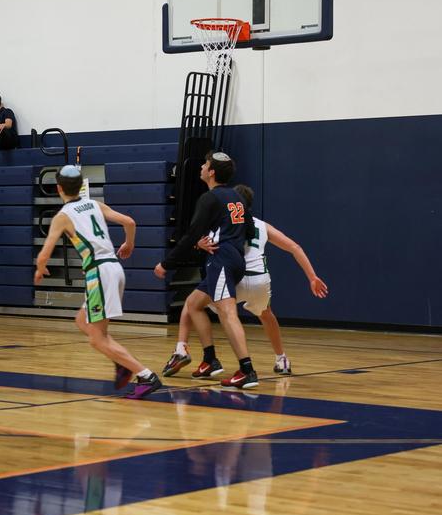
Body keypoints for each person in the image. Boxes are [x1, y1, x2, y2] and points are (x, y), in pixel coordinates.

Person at [165, 184, 329, 378]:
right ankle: (281, 358)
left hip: (236, 276)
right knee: (266, 314)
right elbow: (295, 247)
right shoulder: (262, 225)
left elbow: (208, 243)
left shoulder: (225, 222)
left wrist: (198, 244)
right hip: (260, 280)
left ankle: (186, 351)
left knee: (192, 304)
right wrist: (312, 277)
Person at [35, 165, 163, 399]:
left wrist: (40, 269)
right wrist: (129, 244)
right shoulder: (95, 204)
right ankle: (122, 362)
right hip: (113, 267)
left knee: (97, 339)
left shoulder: (63, 216)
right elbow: (130, 222)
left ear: (59, 188)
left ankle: (146, 376)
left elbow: (44, 254)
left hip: (99, 272)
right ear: (80, 185)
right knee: (82, 320)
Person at [154, 152, 258, 391]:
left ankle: (247, 370)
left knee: (227, 313)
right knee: (193, 304)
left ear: (211, 172)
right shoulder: (237, 196)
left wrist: (166, 264)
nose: (201, 166)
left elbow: (192, 234)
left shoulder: (209, 198)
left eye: (205, 164)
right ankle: (210, 360)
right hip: (234, 259)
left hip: (221, 260)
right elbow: (250, 231)